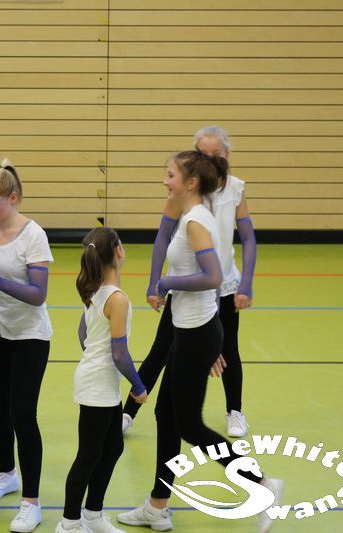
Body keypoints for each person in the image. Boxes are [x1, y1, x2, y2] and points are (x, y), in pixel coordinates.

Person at [117, 151, 281, 533]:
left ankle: (263, 484)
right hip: (189, 329)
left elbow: (212, 277)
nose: (165, 181)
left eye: (170, 175)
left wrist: (166, 283)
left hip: (197, 333)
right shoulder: (192, 214)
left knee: (189, 425)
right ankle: (157, 506)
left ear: (191, 183)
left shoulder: (195, 222)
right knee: (165, 414)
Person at [122, 126, 257, 438]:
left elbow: (248, 238)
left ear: (228, 155)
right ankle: (128, 411)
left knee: (228, 348)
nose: (209, 159)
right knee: (162, 349)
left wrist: (246, 284)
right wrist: (155, 282)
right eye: (202, 154)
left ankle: (235, 410)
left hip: (222, 286)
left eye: (216, 154)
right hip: (187, 286)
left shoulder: (235, 189)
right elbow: (162, 237)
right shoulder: (184, 193)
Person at [0, 161, 53, 533]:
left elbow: (38, 295)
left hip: (28, 336)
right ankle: (7, 473)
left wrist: (0, 283)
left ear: (13, 198)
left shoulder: (33, 235)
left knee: (23, 413)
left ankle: (31, 502)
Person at [56, 227, 147, 533]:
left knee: (112, 448)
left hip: (100, 381)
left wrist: (93, 358)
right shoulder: (117, 299)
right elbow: (119, 353)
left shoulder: (95, 291)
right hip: (98, 384)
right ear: (118, 251)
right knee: (89, 455)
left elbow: (83, 333)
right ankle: (69, 522)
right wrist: (138, 387)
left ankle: (93, 515)